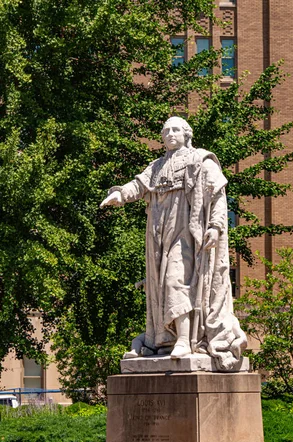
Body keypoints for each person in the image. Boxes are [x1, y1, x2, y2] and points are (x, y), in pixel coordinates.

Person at [100, 116, 246, 370]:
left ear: (187, 133)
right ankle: (164, 339)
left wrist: (215, 226)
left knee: (175, 280)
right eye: (165, 130)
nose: (169, 134)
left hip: (189, 231)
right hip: (159, 232)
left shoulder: (201, 160)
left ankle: (183, 340)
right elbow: (139, 185)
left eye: (175, 129)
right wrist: (120, 194)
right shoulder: (157, 166)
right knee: (160, 286)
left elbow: (218, 195)